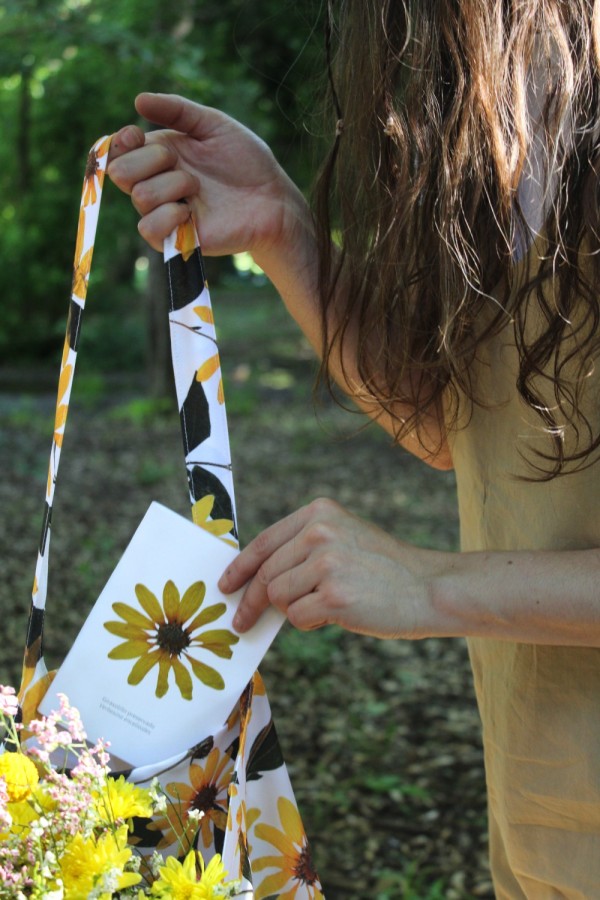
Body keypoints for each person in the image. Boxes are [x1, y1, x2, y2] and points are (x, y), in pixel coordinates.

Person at [107, 4, 600, 896]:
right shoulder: (507, 114)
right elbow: (466, 432)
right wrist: (281, 228)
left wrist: (429, 584)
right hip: (545, 821)